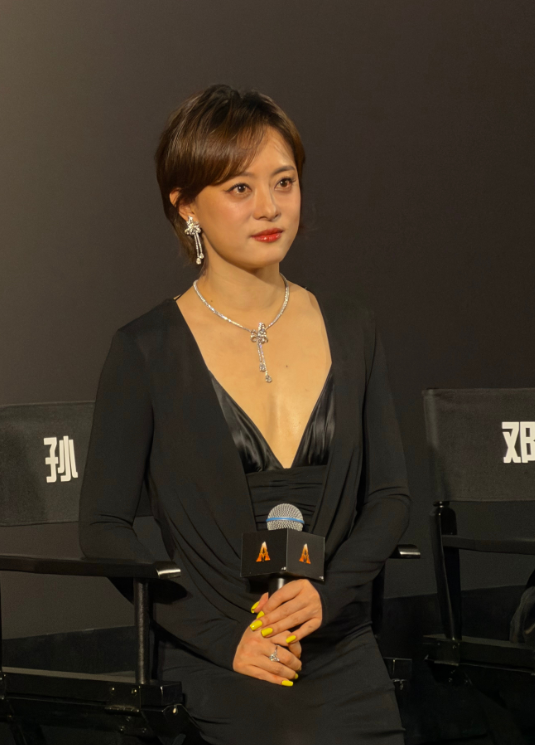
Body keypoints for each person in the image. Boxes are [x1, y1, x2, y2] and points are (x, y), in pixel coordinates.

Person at [79, 83, 411, 745]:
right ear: (185, 205)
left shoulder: (353, 328)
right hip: (222, 656)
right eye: (239, 187)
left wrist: (328, 595)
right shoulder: (145, 349)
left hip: (341, 647)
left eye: (283, 182)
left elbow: (389, 496)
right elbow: (103, 527)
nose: (269, 207)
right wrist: (222, 637)